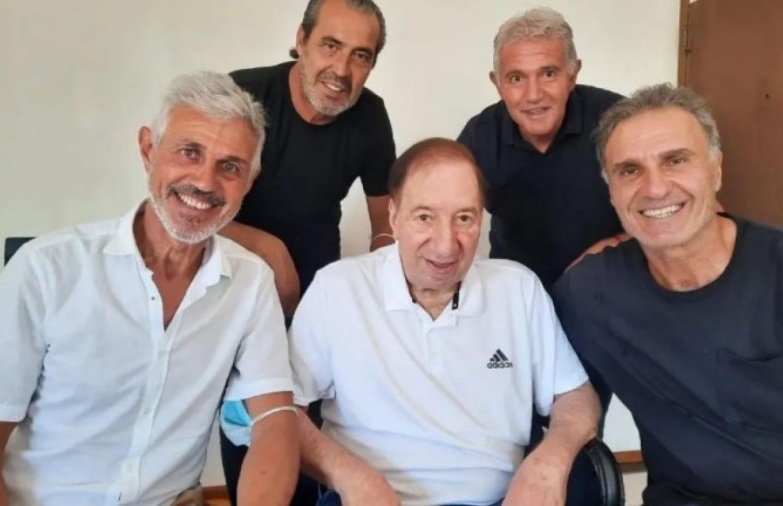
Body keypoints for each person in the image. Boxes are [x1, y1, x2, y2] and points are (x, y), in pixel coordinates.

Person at [0, 72, 299, 506]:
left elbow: (274, 419)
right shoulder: (46, 269)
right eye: (189, 152)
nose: (206, 182)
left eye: (230, 167)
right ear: (148, 150)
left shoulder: (251, 283)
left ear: (250, 181)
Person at [553, 83, 783, 505]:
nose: (655, 188)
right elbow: (551, 375)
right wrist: (554, 453)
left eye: (675, 160)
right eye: (629, 170)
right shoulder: (592, 291)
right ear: (611, 190)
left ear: (716, 170)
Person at [288, 138, 600, 506]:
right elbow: (281, 410)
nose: (446, 246)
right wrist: (348, 477)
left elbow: (574, 394)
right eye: (424, 217)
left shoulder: (517, 288)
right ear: (393, 217)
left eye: (464, 218)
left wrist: (551, 461)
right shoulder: (338, 288)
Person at [218, 1, 397, 502]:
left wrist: (377, 290)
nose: (342, 69)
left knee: (309, 425)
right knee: (246, 422)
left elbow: (386, 225)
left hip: (315, 292)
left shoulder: (370, 115)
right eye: (331, 46)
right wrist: (265, 248)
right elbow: (194, 205)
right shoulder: (243, 94)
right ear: (301, 40)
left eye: (360, 55)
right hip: (234, 285)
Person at [457, 8, 624, 502]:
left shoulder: (618, 122)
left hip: (602, 302)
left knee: (579, 428)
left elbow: (672, 210)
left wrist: (616, 244)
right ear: (496, 83)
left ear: (573, 72)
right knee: (511, 424)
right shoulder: (479, 137)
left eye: (548, 73)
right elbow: (451, 215)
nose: (533, 94)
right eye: (516, 78)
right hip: (516, 306)